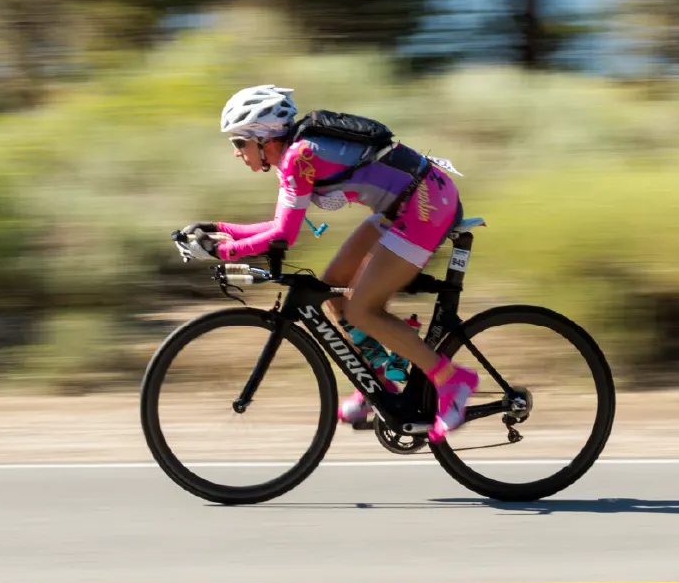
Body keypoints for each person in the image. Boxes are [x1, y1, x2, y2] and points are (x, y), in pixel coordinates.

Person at [181, 85, 478, 442]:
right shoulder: (293, 156)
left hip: (425, 206)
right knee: (333, 287)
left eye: (238, 143)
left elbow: (283, 238)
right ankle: (380, 373)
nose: (236, 153)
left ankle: (453, 380)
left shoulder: (298, 158)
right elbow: (279, 225)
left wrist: (220, 251)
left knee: (363, 310)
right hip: (402, 205)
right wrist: (219, 230)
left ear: (263, 138)